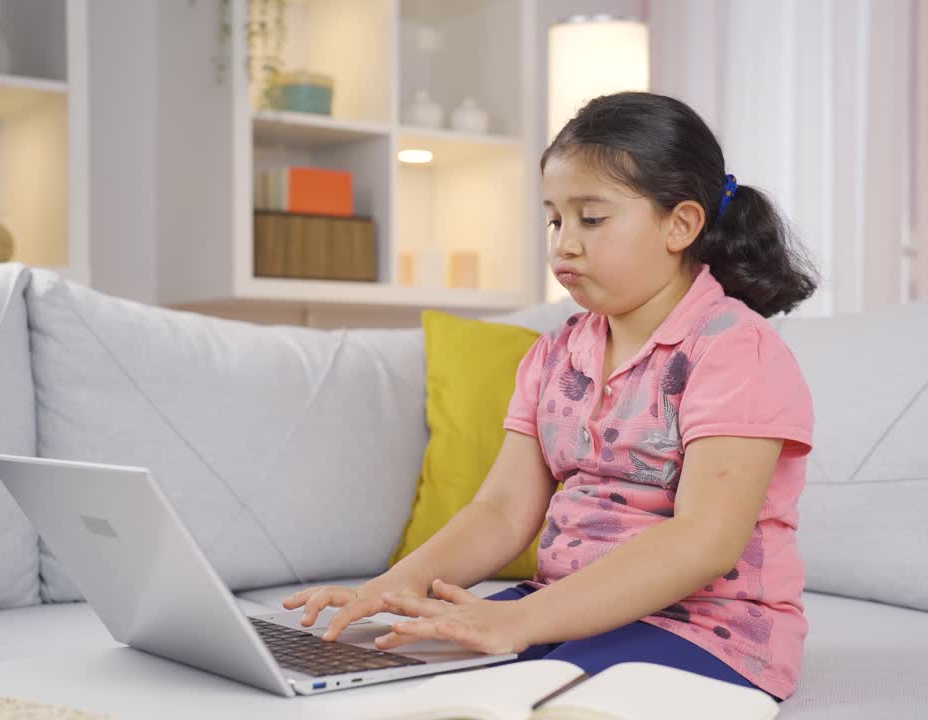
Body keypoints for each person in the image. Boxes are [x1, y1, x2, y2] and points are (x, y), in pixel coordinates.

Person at [284, 91, 819, 701]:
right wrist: (388, 587)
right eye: (555, 219)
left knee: (543, 700)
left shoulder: (733, 350)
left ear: (681, 224)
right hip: (559, 607)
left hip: (708, 629)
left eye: (591, 219)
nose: (565, 243)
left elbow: (704, 540)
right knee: (394, 671)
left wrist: (517, 623)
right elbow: (503, 512)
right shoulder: (555, 353)